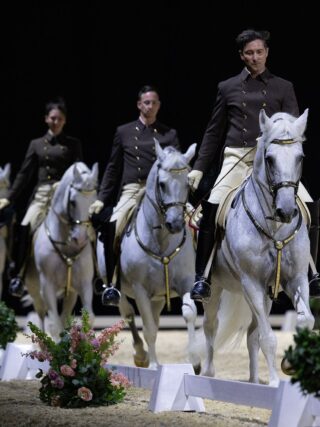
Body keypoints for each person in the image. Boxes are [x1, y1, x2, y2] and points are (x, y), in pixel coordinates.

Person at [187, 29, 320, 301]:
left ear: (267, 53)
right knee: (213, 204)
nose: (255, 57)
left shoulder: (284, 87)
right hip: (236, 157)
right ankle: (203, 277)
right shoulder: (228, 88)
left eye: (259, 52)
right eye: (249, 53)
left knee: (308, 205)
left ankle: (311, 273)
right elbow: (214, 132)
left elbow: (293, 130)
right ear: (241, 55)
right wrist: (200, 166)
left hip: (273, 160)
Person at [89, 85, 180, 306]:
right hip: (131, 190)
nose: (150, 106)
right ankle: (111, 284)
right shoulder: (124, 132)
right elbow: (113, 167)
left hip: (160, 193)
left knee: (189, 223)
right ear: (139, 105)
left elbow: (178, 167)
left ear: (159, 105)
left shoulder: (169, 134)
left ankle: (198, 278)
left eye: (154, 102)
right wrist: (101, 197)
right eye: (146, 102)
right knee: (113, 224)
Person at [0, 97, 83, 297]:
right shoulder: (36, 144)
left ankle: (96, 275)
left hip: (64, 195)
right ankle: (18, 274)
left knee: (84, 227)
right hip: (42, 195)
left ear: (65, 121)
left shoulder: (73, 144)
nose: (56, 122)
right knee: (24, 226)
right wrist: (9, 198)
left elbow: (79, 172)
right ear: (46, 119)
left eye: (60, 119)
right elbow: (24, 174)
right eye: (53, 118)